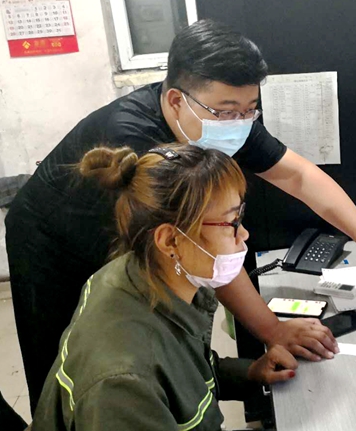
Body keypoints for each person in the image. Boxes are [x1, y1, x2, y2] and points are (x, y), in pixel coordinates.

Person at [5, 19, 356, 413]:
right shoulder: (134, 139)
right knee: (69, 370)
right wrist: (272, 330)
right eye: (227, 110)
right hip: (51, 241)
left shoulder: (218, 118)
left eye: (250, 108)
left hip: (138, 242)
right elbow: (204, 247)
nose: (239, 122)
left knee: (160, 353)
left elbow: (297, 175)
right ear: (175, 100)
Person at [32, 145, 301, 431]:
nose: (243, 233)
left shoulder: (150, 277)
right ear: (171, 241)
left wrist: (250, 372)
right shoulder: (122, 384)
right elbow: (154, 375)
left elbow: (183, 371)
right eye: (232, 222)